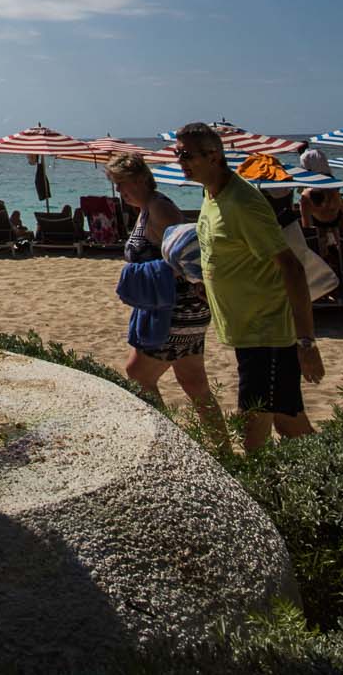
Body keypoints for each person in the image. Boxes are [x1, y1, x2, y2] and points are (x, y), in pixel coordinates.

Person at [176, 122, 322, 452]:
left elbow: (293, 269)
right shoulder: (211, 196)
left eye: (186, 154)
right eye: (177, 153)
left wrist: (307, 342)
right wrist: (210, 288)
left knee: (252, 429)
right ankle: (341, 474)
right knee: (289, 422)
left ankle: (258, 497)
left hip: (267, 333)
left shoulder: (244, 203)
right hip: (248, 332)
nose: (179, 161)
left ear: (213, 156)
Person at [105, 151, 224, 438]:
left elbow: (191, 255)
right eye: (116, 185)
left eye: (122, 184)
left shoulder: (160, 209)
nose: (119, 191)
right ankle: (221, 447)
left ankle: (168, 439)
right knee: (194, 382)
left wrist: (161, 271)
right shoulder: (147, 209)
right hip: (175, 307)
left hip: (176, 309)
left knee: (138, 374)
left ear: (142, 179)